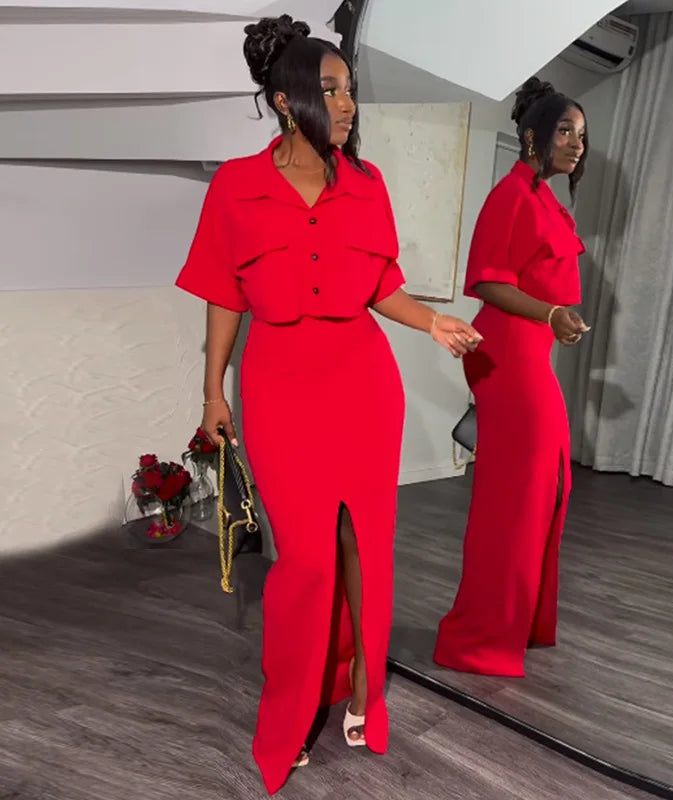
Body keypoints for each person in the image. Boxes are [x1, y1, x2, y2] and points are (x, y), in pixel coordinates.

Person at [175, 15, 482, 796]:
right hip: (279, 390)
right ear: (286, 101)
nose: (347, 105)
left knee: (365, 547)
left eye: (349, 90)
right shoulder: (235, 187)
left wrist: (432, 321)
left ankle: (363, 688)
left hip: (363, 385)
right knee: (306, 561)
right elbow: (223, 295)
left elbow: (381, 286)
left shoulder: (366, 184)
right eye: (332, 90)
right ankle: (291, 706)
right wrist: (212, 391)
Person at [433, 77, 590, 678]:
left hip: (532, 354)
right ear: (532, 136)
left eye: (581, 134)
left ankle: (517, 622)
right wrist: (550, 314)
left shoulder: (545, 198)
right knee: (516, 501)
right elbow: (487, 281)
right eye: (564, 131)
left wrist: (556, 320)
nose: (575, 143)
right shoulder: (511, 196)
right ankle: (478, 638)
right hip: (508, 357)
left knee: (548, 491)